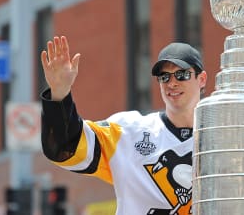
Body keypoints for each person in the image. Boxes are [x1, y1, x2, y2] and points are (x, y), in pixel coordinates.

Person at [40, 36, 207, 215]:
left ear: (202, 79)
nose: (172, 83)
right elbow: (66, 148)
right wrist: (60, 94)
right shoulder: (127, 131)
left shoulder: (225, 137)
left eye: (182, 75)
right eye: (164, 77)